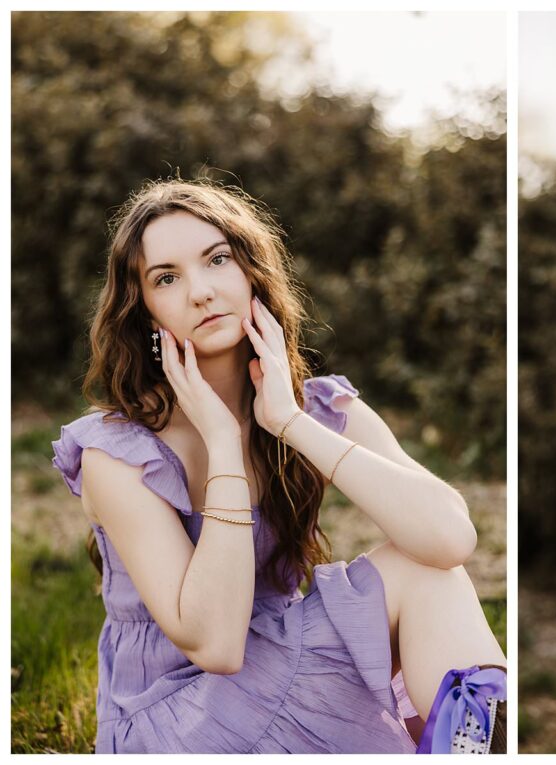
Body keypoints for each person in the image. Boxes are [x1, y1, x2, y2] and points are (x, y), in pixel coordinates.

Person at [51, 179, 507, 754]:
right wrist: (221, 440)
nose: (200, 292)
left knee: (427, 571)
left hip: (286, 657)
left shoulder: (313, 408)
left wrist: (288, 421)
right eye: (167, 278)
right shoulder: (118, 453)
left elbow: (450, 539)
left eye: (217, 260)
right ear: (144, 311)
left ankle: (479, 749)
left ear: (252, 275)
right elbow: (216, 646)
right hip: (179, 715)